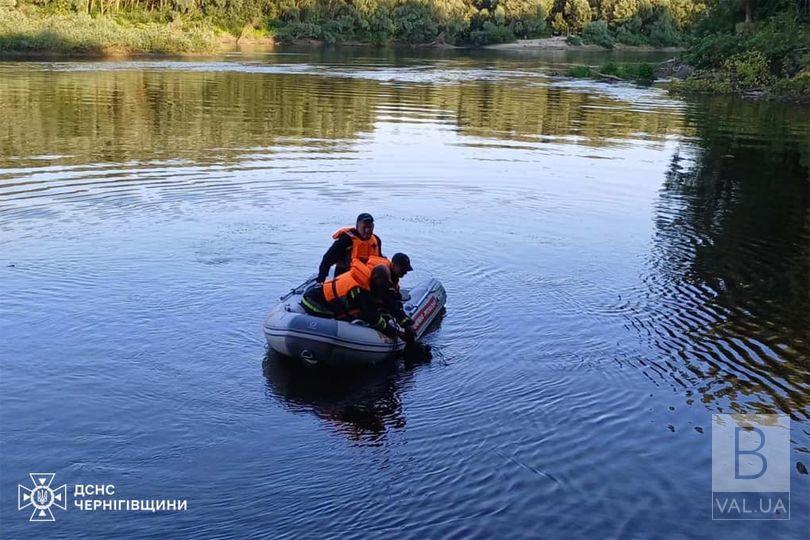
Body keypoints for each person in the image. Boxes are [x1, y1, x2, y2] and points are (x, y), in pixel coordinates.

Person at [301, 260, 400, 338]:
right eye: (383, 282)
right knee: (343, 318)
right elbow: (372, 316)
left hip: (321, 296)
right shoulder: (360, 290)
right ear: (375, 278)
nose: (384, 285)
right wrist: (390, 330)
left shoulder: (367, 285)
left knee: (352, 314)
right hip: (313, 301)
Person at [317, 213, 381, 283]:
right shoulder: (346, 240)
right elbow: (327, 259)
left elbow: (379, 259)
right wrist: (321, 280)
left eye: (370, 227)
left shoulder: (376, 240)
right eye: (364, 227)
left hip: (367, 279)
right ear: (357, 226)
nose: (367, 230)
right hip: (346, 279)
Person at [365, 253, 416, 341]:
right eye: (403, 269)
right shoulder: (383, 277)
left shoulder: (392, 275)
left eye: (406, 270)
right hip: (365, 299)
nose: (405, 273)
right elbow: (391, 303)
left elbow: (393, 299)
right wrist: (406, 324)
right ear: (393, 265)